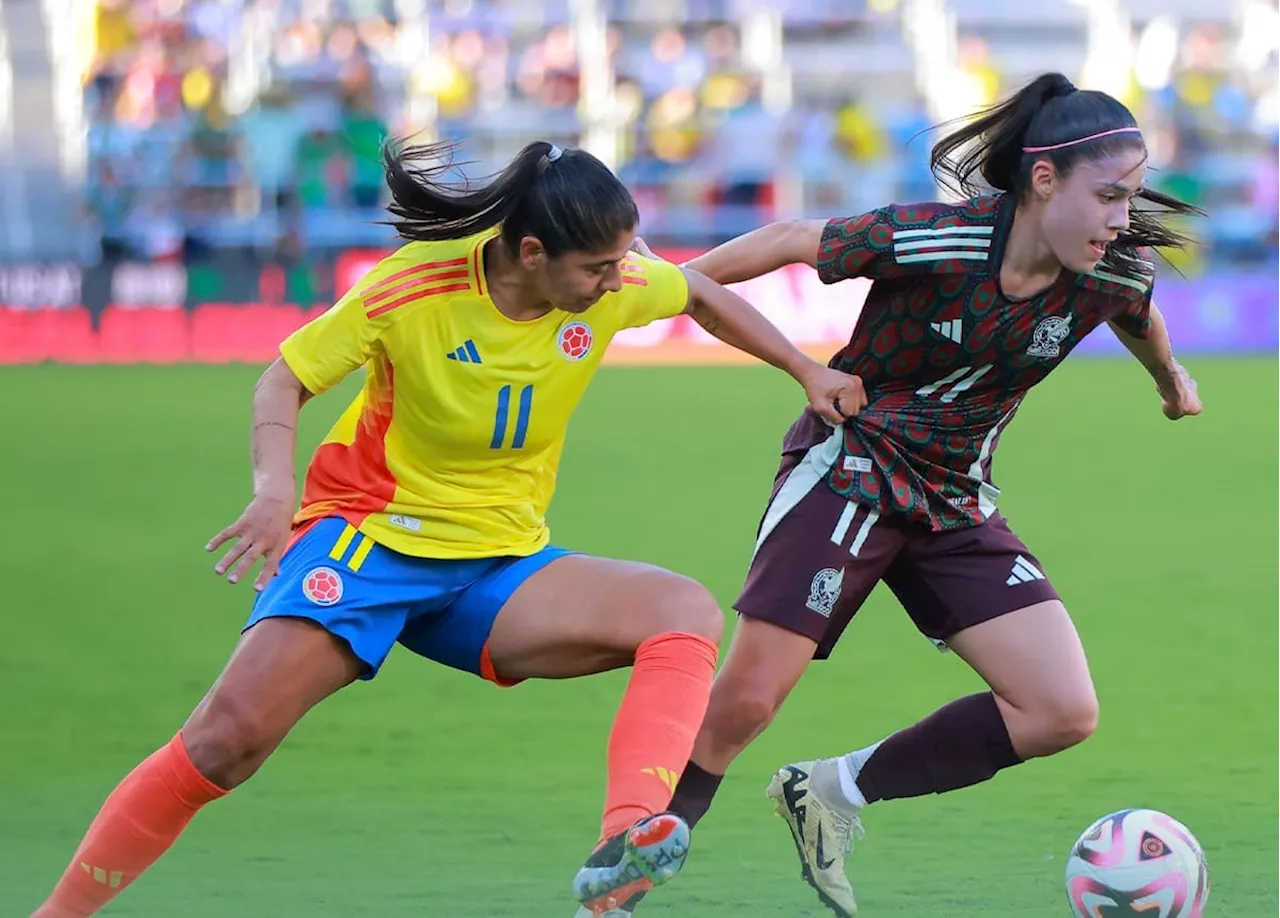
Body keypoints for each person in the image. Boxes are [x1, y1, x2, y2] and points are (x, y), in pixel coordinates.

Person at [29, 139, 866, 918]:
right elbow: (284, 378)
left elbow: (700, 293)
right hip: (369, 542)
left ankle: (626, 842)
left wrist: (804, 369)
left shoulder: (607, 289)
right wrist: (272, 492)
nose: (621, 282)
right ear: (532, 254)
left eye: (624, 261)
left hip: (497, 563)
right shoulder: (412, 288)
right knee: (225, 744)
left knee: (682, 612)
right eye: (601, 267)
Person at [629, 72, 1206, 917]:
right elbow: (794, 238)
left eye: (1131, 197)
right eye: (1109, 195)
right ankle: (641, 850)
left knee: (1059, 711)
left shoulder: (1107, 272)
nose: (1124, 216)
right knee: (748, 699)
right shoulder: (937, 238)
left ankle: (827, 791)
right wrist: (670, 289)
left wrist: (1169, 379)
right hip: (851, 469)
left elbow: (1138, 313)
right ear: (1043, 181)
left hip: (956, 500)